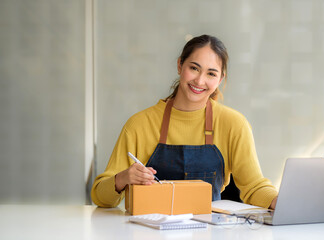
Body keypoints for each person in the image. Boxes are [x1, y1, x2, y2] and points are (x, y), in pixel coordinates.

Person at [91, 34, 278, 209]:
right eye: (194, 68)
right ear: (180, 65)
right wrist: (122, 179)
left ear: (220, 79)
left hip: (210, 231)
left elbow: (254, 186)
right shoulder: (139, 124)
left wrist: (281, 203)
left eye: (211, 74)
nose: (200, 81)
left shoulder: (234, 124)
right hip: (149, 231)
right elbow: (100, 197)